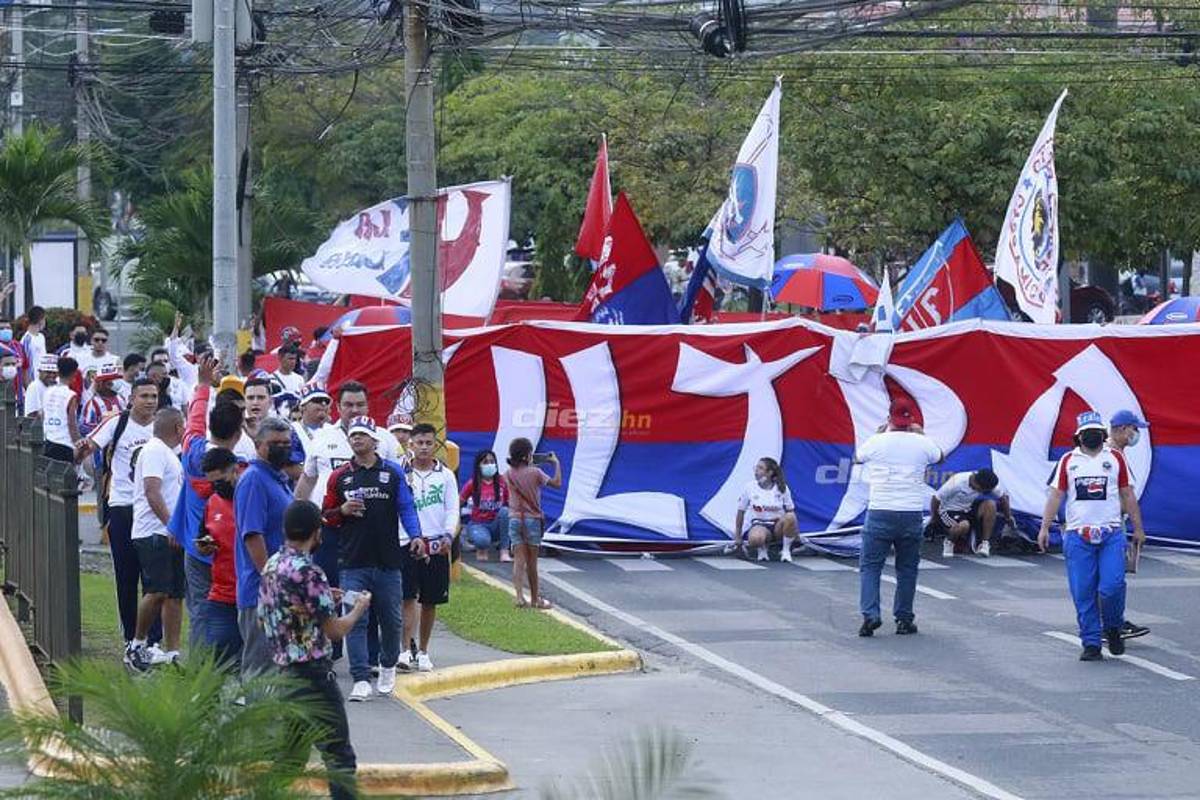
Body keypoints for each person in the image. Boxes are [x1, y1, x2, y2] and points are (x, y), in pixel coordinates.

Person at [258, 500, 366, 800]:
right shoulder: (308, 572)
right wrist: (358, 609)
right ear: (317, 531)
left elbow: (273, 612)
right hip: (314, 676)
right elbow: (334, 631)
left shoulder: (273, 565)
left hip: (286, 675)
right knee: (339, 757)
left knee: (290, 759)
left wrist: (322, 598)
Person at [320, 417, 421, 700]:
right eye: (353, 435)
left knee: (391, 619)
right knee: (355, 620)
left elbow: (407, 507)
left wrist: (416, 536)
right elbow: (325, 516)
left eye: (363, 435)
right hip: (353, 561)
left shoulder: (392, 473)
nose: (357, 440)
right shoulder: (340, 476)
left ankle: (388, 665)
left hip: (388, 561)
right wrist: (342, 510)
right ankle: (360, 677)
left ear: (375, 441)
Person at [1038, 412, 1146, 661]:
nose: (1093, 436)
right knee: (1083, 591)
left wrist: (1138, 528)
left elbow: (1127, 494)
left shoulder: (1115, 458)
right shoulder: (1068, 461)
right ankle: (1091, 643)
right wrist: (1045, 527)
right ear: (1079, 436)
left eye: (1098, 432)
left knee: (1112, 586)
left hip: (1110, 533)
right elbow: (1056, 495)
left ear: (1104, 434)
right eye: (1088, 433)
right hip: (1078, 535)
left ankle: (1113, 625)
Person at [168, 355, 245, 654]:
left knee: (199, 610)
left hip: (196, 548)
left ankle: (201, 671)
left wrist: (202, 385)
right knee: (236, 610)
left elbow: (195, 420)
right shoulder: (241, 471)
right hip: (230, 551)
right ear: (238, 434)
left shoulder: (192, 452)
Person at [77, 378, 160, 650]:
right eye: (144, 395)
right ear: (132, 399)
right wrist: (80, 452)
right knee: (126, 575)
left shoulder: (163, 426)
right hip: (122, 506)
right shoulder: (117, 423)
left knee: (155, 577)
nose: (149, 401)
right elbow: (90, 445)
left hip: (152, 509)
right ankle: (129, 638)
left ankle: (154, 640)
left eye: (154, 396)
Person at [855, 398, 942, 637]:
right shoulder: (922, 443)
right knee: (907, 569)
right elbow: (939, 456)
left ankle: (870, 614)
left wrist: (882, 432)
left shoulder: (877, 441)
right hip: (911, 512)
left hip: (881, 510)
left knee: (870, 567)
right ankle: (904, 619)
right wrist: (921, 433)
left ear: (889, 418)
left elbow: (858, 457)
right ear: (911, 420)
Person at [125, 408, 186, 671]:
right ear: (177, 427)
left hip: (168, 533)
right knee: (157, 590)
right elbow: (152, 492)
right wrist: (171, 524)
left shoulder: (169, 454)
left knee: (174, 594)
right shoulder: (154, 451)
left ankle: (173, 651)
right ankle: (136, 644)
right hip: (153, 532)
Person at [234, 416, 296, 677]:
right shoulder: (254, 480)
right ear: (259, 444)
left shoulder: (278, 479)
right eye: (275, 443)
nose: (282, 447)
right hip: (262, 592)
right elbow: (252, 536)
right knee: (261, 671)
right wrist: (272, 581)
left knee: (281, 670)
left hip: (282, 589)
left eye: (286, 442)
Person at [403, 423, 459, 671]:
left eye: (428, 443)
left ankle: (424, 651)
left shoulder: (445, 475)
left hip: (437, 544)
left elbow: (452, 509)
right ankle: (404, 649)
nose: (424, 448)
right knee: (406, 598)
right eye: (419, 443)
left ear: (435, 445)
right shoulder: (403, 474)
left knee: (430, 600)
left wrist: (448, 535)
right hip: (407, 543)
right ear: (411, 445)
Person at [196, 447, 243, 668]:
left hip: (252, 594)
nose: (217, 487)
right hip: (222, 594)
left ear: (235, 471)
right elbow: (202, 537)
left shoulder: (251, 496)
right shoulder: (212, 502)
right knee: (216, 659)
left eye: (220, 480)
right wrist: (205, 546)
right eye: (212, 482)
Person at [503, 437, 561, 610]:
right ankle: (535, 599)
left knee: (519, 560)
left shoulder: (508, 474)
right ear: (526, 455)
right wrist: (555, 463)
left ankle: (519, 597)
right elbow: (557, 483)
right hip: (532, 519)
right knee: (532, 563)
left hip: (514, 518)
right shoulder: (535, 473)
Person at [1108, 409, 1151, 641]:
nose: (1136, 434)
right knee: (1111, 578)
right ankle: (1111, 623)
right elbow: (1127, 495)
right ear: (1123, 429)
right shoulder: (1111, 455)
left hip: (1113, 521)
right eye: (1135, 429)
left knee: (1113, 577)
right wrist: (1138, 528)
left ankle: (1113, 621)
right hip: (1110, 523)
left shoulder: (1115, 453)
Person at [930, 468, 1013, 559]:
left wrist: (1008, 517)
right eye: (981, 490)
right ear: (976, 482)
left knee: (990, 504)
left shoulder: (986, 481)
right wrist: (934, 518)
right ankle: (949, 541)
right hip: (950, 510)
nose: (981, 492)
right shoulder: (957, 482)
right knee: (964, 525)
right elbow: (936, 498)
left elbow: (1003, 498)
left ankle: (985, 543)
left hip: (968, 508)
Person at [727, 457, 798, 562]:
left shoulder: (782, 488)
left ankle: (786, 551)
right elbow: (740, 512)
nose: (756, 471)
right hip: (759, 525)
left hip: (778, 527)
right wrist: (738, 537)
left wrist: (796, 534)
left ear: (769, 473)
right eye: (756, 468)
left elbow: (790, 511)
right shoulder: (749, 487)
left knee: (790, 516)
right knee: (756, 539)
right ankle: (762, 548)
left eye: (760, 468)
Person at [460, 449, 510, 562]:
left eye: (492, 462)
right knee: (482, 542)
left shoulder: (502, 482)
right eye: (485, 462)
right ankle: (481, 547)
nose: (489, 465)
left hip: (496, 524)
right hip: (478, 524)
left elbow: (511, 504)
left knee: (505, 511)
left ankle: (504, 551)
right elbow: (459, 502)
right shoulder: (472, 483)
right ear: (479, 465)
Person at [41, 357, 81, 463]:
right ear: (74, 374)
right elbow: (72, 424)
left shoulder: (48, 391)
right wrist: (78, 443)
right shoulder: (71, 395)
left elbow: (42, 415)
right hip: (64, 444)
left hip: (48, 441)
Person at [79, 364, 125, 437]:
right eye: (112, 380)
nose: (116, 383)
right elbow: (84, 427)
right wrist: (104, 426)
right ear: (102, 384)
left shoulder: (120, 399)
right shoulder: (93, 403)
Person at [291, 386, 332, 462]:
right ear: (302, 407)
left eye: (326, 401)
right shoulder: (292, 430)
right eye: (317, 400)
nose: (323, 404)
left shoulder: (334, 430)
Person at [18, 306, 46, 383]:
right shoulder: (27, 339)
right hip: (33, 382)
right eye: (44, 319)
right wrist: (28, 385)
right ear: (40, 320)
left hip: (43, 380)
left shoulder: (41, 337)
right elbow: (26, 366)